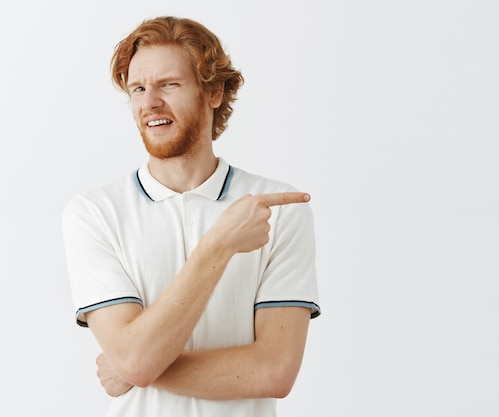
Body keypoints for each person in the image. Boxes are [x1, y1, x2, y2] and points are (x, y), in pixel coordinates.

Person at [61, 16, 320, 417]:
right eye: (138, 89)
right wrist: (219, 245)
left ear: (213, 91)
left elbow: (274, 371)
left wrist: (137, 367)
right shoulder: (94, 213)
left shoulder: (275, 208)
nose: (149, 103)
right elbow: (133, 360)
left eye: (169, 84)